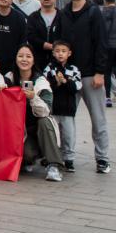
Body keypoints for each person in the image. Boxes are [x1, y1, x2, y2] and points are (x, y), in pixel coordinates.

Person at [55, 0, 110, 174]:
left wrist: (100, 72)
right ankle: (67, 157)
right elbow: (59, 44)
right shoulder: (63, 13)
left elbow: (102, 43)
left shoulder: (94, 13)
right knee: (66, 118)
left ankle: (102, 158)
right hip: (69, 75)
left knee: (98, 118)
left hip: (90, 74)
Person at [5, 44, 63, 181]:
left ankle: (53, 165)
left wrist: (33, 97)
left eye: (28, 56)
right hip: (19, 131)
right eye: (20, 56)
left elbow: (46, 111)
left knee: (45, 121)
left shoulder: (41, 82)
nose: (24, 59)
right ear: (15, 58)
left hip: (38, 128)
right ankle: (27, 160)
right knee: (27, 155)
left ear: (33, 60)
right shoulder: (9, 78)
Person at [42, 39, 81, 172]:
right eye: (57, 51)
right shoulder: (49, 68)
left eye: (63, 51)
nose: (60, 54)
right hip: (53, 109)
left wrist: (65, 81)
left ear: (69, 53)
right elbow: (45, 85)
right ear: (53, 53)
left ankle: (69, 159)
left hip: (68, 110)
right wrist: (56, 82)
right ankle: (53, 158)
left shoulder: (74, 69)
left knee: (68, 135)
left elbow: (76, 87)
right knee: (53, 135)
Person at [26, 0, 61, 68]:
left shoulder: (63, 17)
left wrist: (57, 47)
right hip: (37, 63)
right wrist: (48, 46)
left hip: (59, 62)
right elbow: (30, 37)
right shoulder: (33, 18)